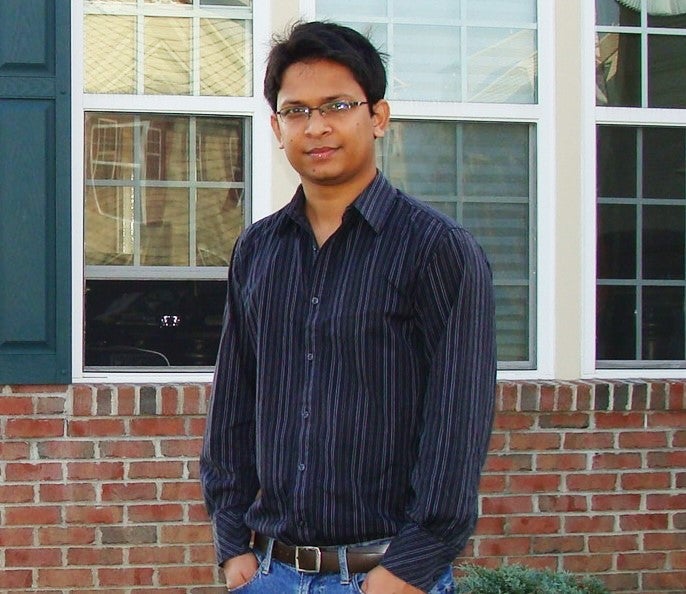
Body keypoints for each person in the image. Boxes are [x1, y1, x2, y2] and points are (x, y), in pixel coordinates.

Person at [200, 20, 497, 594]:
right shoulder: (258, 250)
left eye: (337, 104)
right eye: (296, 110)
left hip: (383, 574)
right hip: (268, 572)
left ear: (377, 117)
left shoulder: (437, 250)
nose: (317, 126)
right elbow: (234, 399)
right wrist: (233, 546)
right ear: (276, 126)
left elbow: (457, 424)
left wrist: (402, 573)